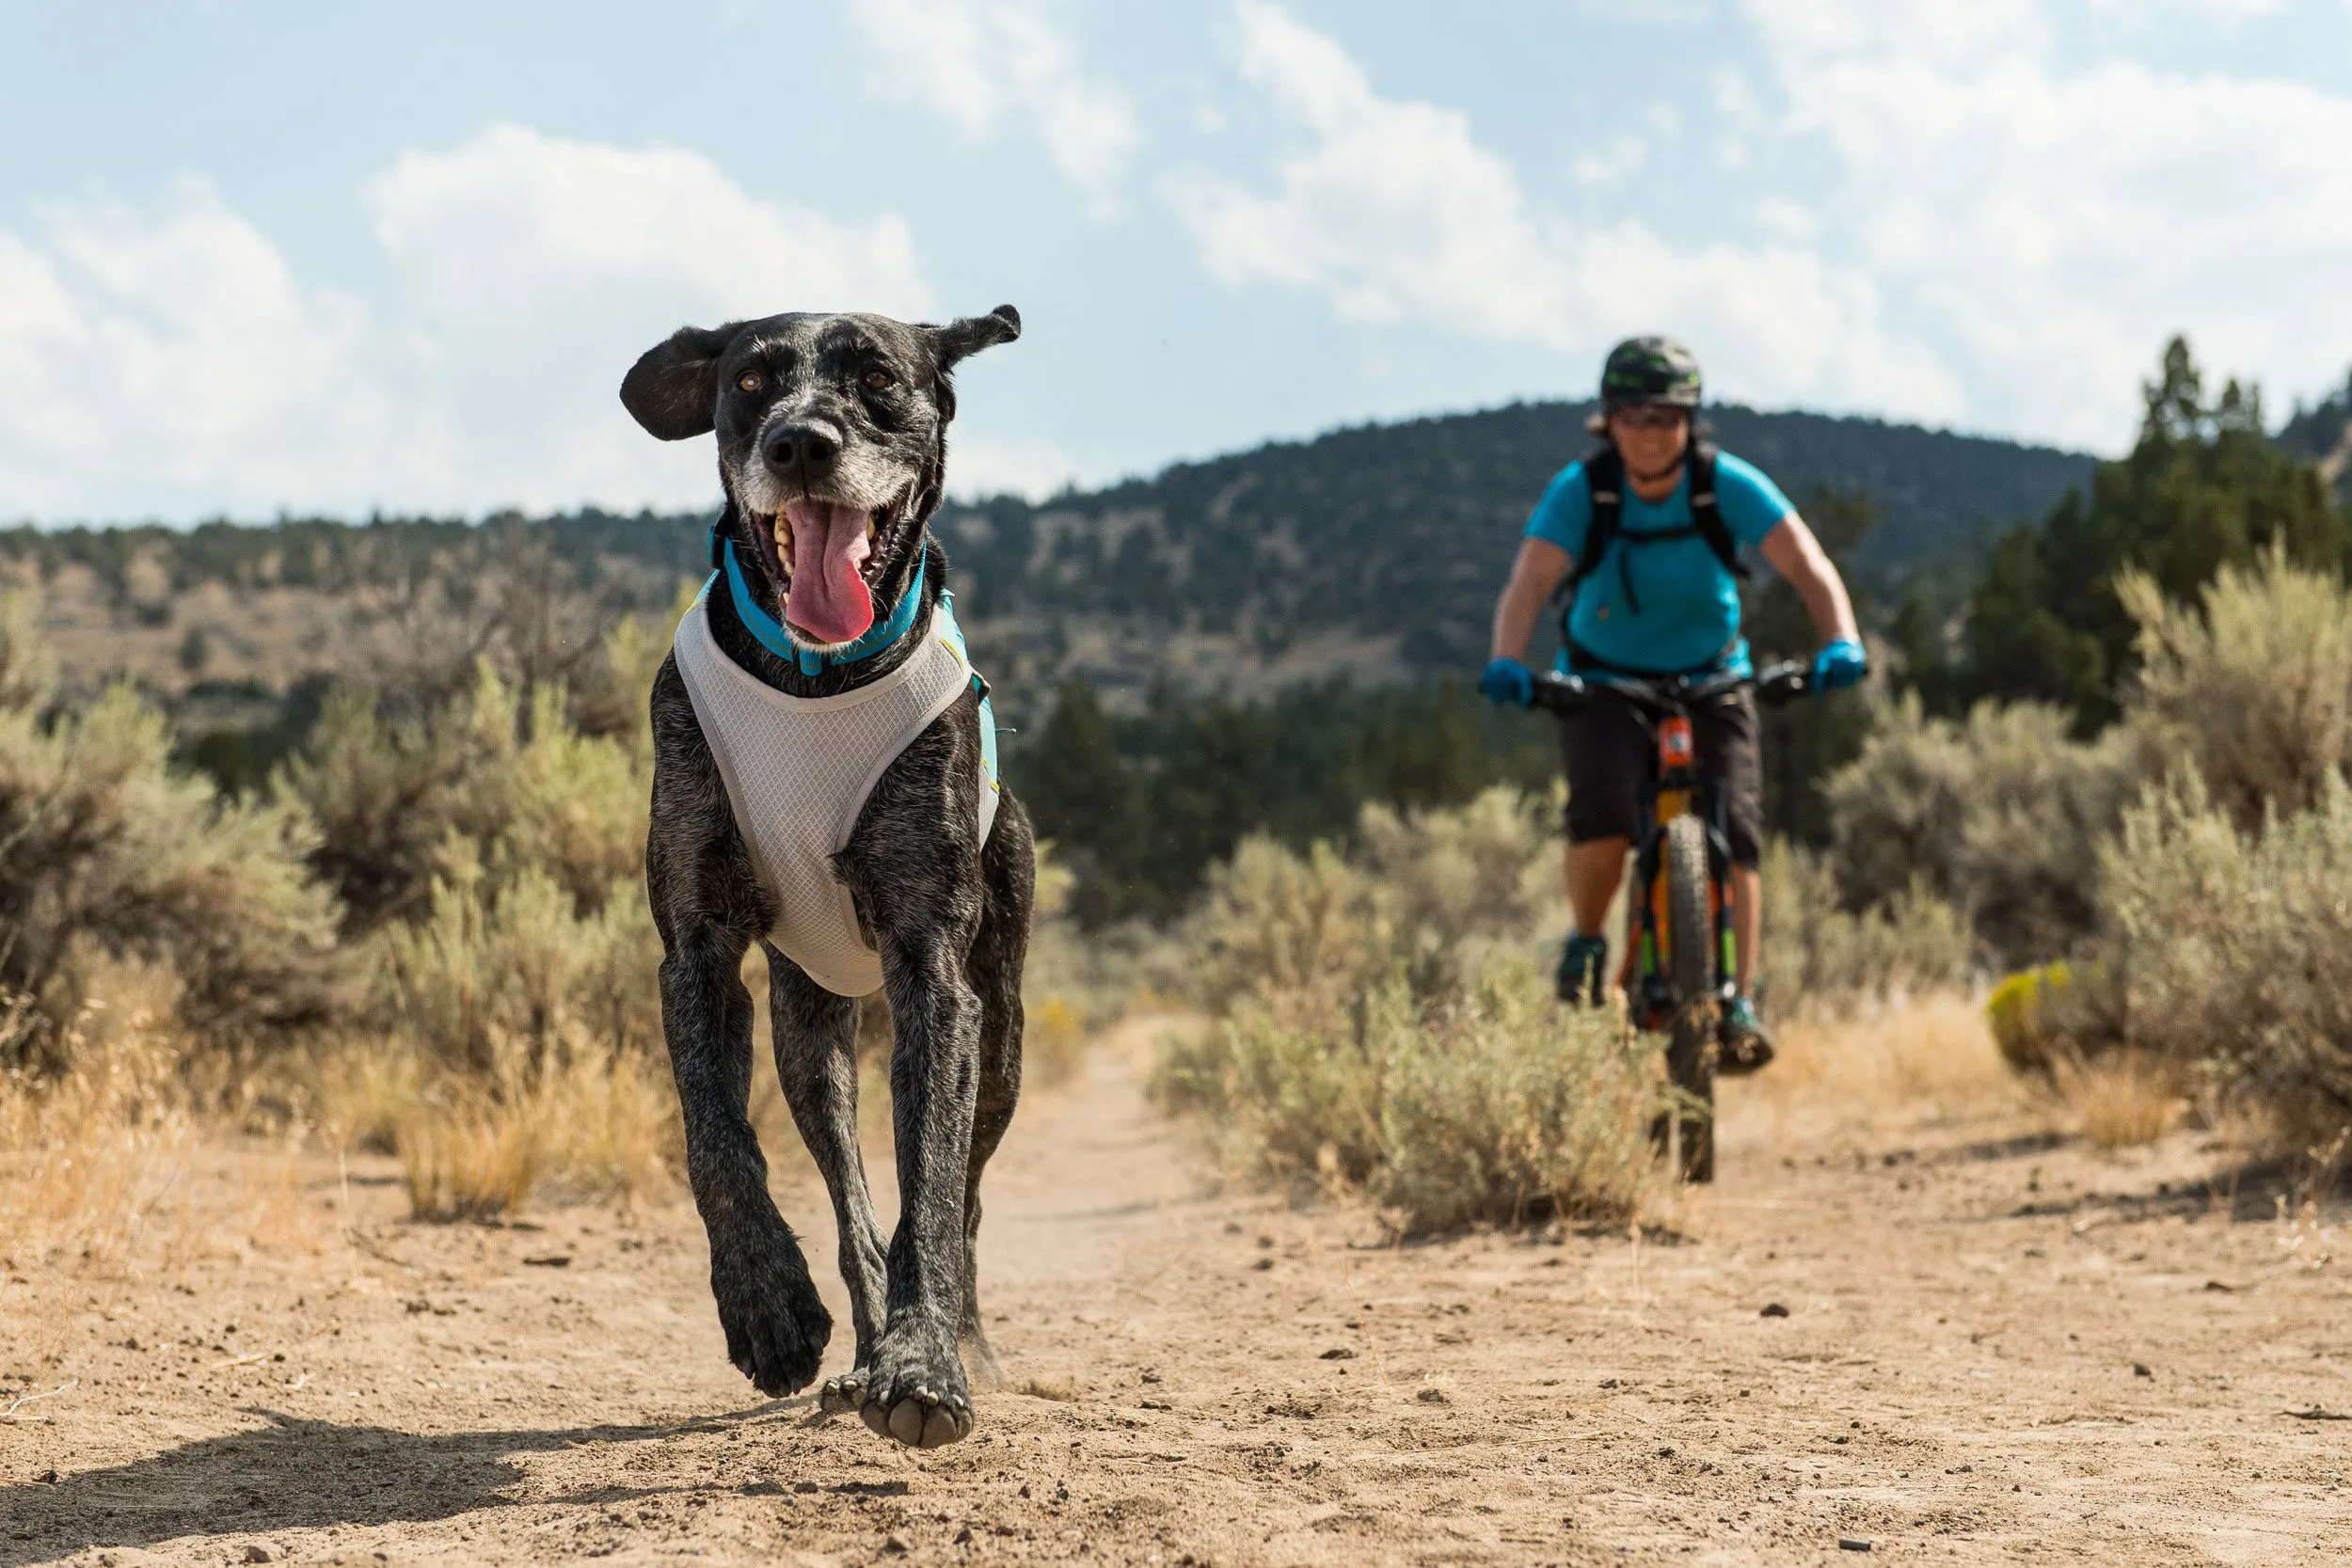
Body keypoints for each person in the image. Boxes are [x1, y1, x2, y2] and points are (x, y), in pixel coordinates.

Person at [1479, 337, 1865, 1069]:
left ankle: (1740, 1001)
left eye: (1667, 414)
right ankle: (1589, 939)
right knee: (1602, 813)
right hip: (1604, 678)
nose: (1650, 430)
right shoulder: (1583, 492)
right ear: (1609, 420)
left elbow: (1808, 565)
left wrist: (1839, 641)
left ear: (1691, 420)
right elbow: (1526, 584)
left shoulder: (1727, 485)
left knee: (1738, 830)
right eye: (1633, 414)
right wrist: (1507, 660)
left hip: (1713, 676)